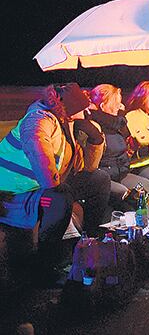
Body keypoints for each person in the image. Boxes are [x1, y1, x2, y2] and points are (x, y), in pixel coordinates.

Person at [0, 83, 111, 279]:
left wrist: (96, 138)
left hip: (42, 183)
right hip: (17, 189)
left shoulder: (66, 122)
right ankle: (46, 265)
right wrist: (58, 189)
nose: (88, 112)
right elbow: (42, 161)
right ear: (71, 108)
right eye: (84, 108)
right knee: (60, 197)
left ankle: (90, 241)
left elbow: (88, 168)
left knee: (99, 179)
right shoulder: (37, 121)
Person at [86, 84, 149, 199]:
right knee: (130, 195)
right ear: (103, 106)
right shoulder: (95, 128)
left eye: (120, 102)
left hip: (120, 173)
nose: (120, 106)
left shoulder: (117, 124)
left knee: (146, 185)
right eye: (116, 103)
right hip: (105, 177)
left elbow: (129, 149)